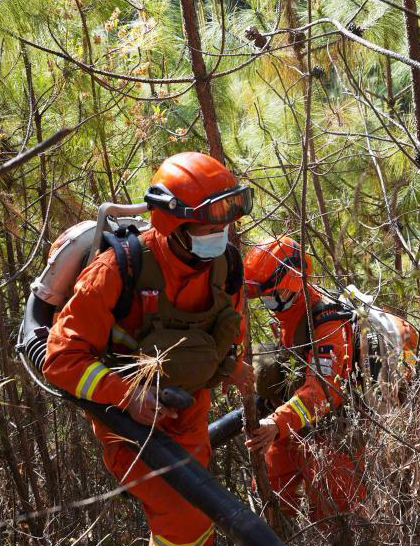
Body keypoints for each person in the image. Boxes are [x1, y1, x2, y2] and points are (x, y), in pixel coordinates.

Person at [44, 152, 255, 546]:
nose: (222, 234)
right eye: (208, 227)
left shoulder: (226, 266)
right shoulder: (116, 271)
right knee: (180, 510)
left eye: (225, 225)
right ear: (173, 224)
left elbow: (231, 327)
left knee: (196, 516)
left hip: (190, 414)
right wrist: (127, 396)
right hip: (128, 425)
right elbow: (59, 360)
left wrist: (237, 367)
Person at [242, 236, 369, 545]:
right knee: (271, 497)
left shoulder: (328, 323)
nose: (268, 303)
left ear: (295, 282)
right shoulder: (287, 315)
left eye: (273, 295)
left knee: (335, 519)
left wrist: (277, 422)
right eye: (264, 297)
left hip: (332, 432)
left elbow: (325, 392)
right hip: (289, 426)